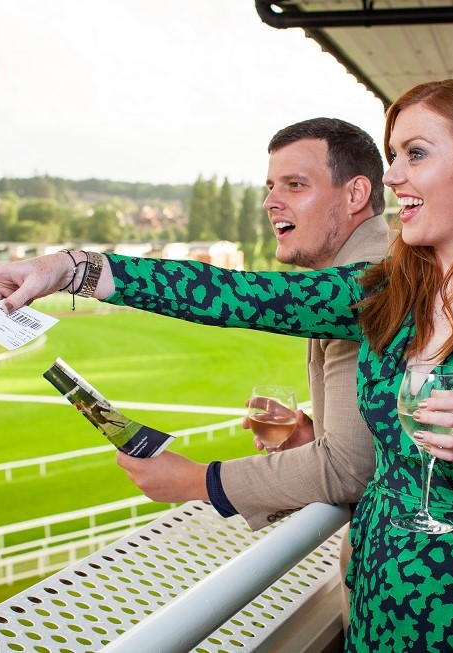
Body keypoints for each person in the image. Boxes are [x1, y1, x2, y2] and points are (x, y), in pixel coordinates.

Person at [0, 77, 453, 652]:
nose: (391, 176)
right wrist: (70, 268)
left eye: (414, 155)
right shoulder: (386, 292)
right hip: (377, 609)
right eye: (392, 155)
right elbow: (231, 293)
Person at [114, 117, 389, 630]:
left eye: (295, 185)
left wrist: (199, 480)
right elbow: (378, 444)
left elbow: (349, 470)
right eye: (270, 187)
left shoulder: (372, 280)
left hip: (427, 606)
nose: (271, 202)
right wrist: (312, 435)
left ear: (355, 194)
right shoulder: (362, 271)